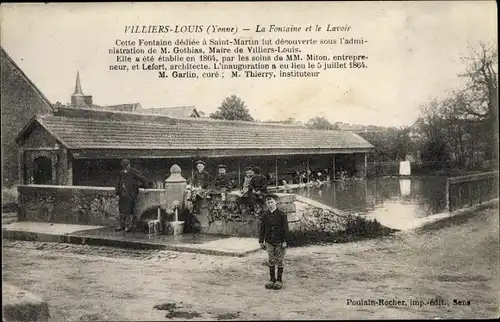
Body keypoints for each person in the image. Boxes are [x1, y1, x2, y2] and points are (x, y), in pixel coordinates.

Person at [259, 195, 289, 290]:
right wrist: (261, 241)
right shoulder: (265, 215)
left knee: (280, 261)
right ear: (266, 204)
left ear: (275, 203)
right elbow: (262, 229)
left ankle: (279, 280)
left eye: (272, 202)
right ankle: (272, 279)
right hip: (269, 241)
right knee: (271, 260)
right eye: (268, 203)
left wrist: (284, 241)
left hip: (280, 241)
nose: (270, 204)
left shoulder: (281, 214)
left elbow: (285, 229)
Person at [114, 159, 149, 232]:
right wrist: (117, 193)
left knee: (129, 209)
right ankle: (122, 226)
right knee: (121, 209)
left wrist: (146, 187)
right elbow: (118, 183)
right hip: (122, 193)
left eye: (127, 165)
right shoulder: (121, 172)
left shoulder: (133, 171)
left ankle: (128, 226)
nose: (127, 167)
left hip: (131, 193)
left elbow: (143, 178)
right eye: (126, 166)